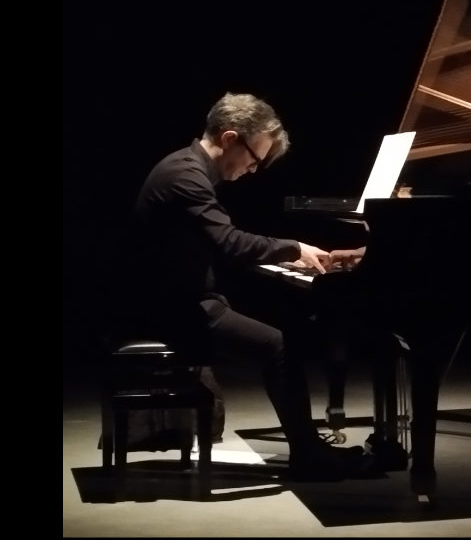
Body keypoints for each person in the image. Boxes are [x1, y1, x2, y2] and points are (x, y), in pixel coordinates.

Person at [128, 92, 382, 482]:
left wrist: (289, 257)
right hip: (171, 310)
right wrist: (294, 248)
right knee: (278, 346)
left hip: (180, 300)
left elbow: (221, 245)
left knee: (280, 336)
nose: (253, 169)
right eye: (254, 158)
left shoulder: (187, 168)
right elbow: (230, 243)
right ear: (230, 137)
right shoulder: (185, 177)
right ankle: (309, 457)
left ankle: (310, 449)